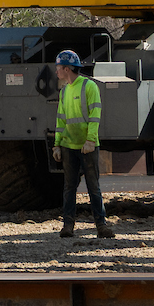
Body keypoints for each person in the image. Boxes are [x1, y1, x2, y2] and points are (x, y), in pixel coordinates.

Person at [53, 49, 114, 239]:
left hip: (87, 146)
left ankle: (101, 226)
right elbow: (60, 120)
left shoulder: (89, 87)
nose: (56, 72)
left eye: (58, 68)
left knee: (93, 187)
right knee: (69, 187)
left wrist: (90, 140)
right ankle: (68, 226)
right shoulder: (64, 92)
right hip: (69, 146)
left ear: (67, 69)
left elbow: (95, 116)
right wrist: (57, 144)